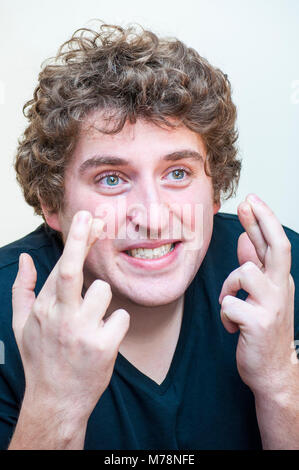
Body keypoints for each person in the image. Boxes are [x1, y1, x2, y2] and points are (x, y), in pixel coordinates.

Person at [0, 22, 298, 451]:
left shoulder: (283, 276)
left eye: (178, 173)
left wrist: (279, 380)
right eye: (110, 179)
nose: (154, 217)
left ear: (215, 191)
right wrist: (54, 405)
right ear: (52, 204)